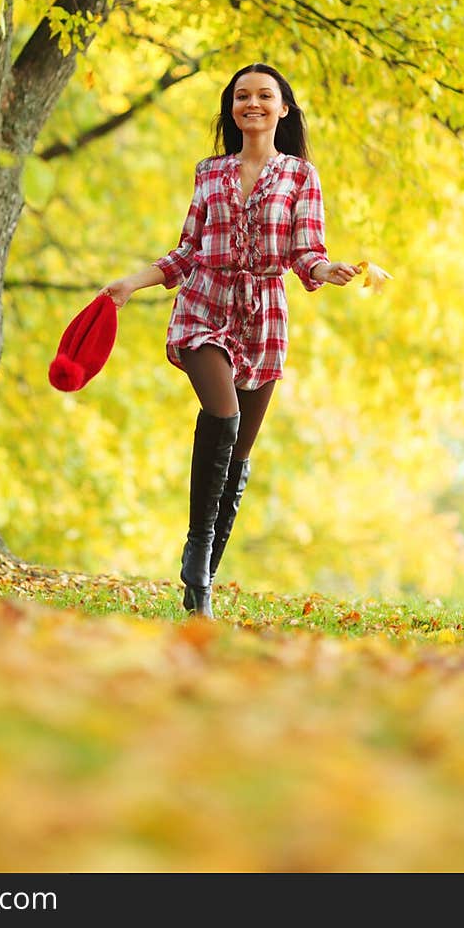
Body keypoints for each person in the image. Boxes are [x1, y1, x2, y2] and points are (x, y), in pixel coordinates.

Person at [101, 63, 360, 618]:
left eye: (265, 96)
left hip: (263, 317)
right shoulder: (209, 173)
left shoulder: (300, 177)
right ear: (232, 109)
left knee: (238, 456)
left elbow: (304, 252)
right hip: (204, 305)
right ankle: (197, 547)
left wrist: (326, 269)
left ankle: (202, 587)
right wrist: (132, 282)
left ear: (283, 108)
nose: (254, 104)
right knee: (224, 417)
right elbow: (188, 249)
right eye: (243, 96)